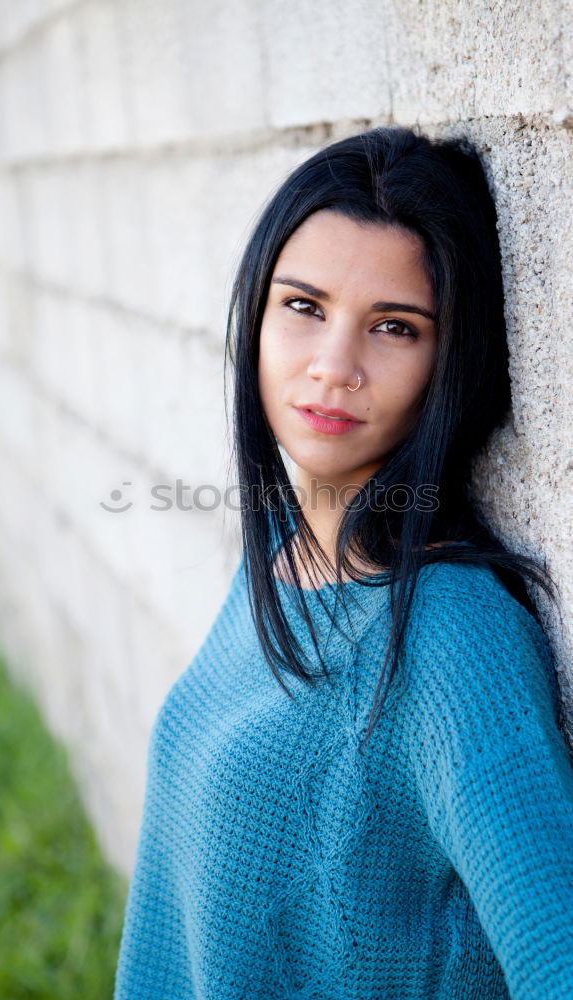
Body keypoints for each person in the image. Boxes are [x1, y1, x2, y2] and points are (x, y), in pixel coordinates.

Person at [113, 127, 573, 1000]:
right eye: (303, 306)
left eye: (393, 327)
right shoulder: (283, 561)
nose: (334, 368)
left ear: (451, 365)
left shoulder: (451, 635)